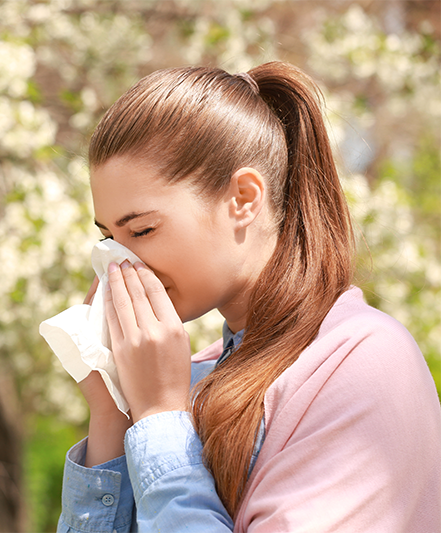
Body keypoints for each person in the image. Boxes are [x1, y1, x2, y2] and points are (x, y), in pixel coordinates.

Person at [56, 61, 441, 532]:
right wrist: (114, 411)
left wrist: (159, 418)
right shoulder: (193, 378)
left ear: (243, 198)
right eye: (109, 238)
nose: (121, 263)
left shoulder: (362, 363)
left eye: (142, 229)